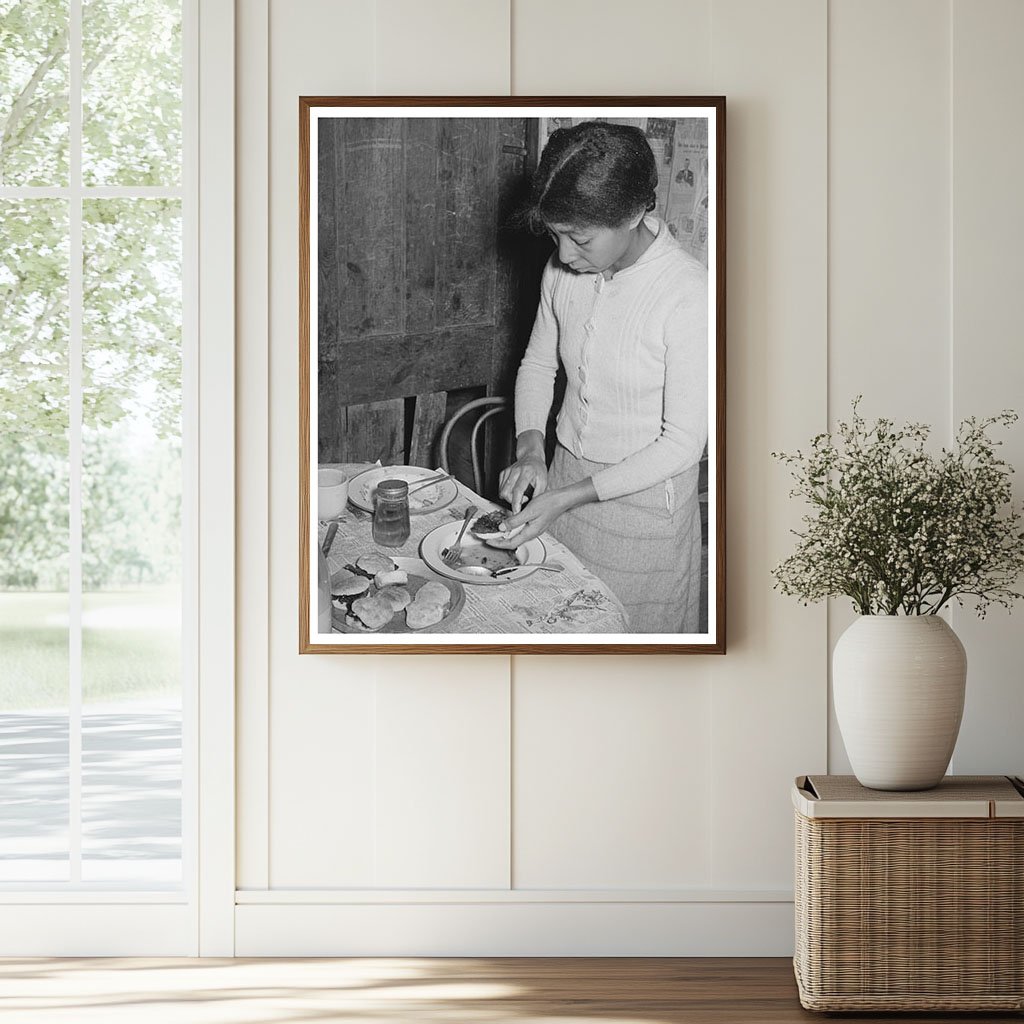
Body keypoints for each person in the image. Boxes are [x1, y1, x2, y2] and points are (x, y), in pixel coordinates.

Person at [490, 120, 709, 633]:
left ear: (634, 213)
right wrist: (529, 450)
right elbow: (539, 365)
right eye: (555, 234)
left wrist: (567, 496)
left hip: (644, 513)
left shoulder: (688, 294)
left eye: (580, 238)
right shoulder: (563, 270)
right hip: (562, 482)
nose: (564, 255)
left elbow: (681, 444)